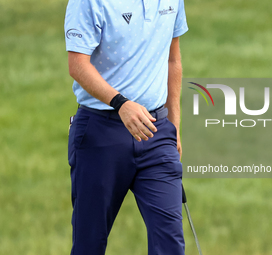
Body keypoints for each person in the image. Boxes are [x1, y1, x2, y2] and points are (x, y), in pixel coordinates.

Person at [64, 0, 188, 254]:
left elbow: (172, 59)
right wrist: (120, 103)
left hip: (156, 132)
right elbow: (77, 64)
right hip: (100, 134)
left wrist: (173, 126)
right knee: (89, 244)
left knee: (170, 245)